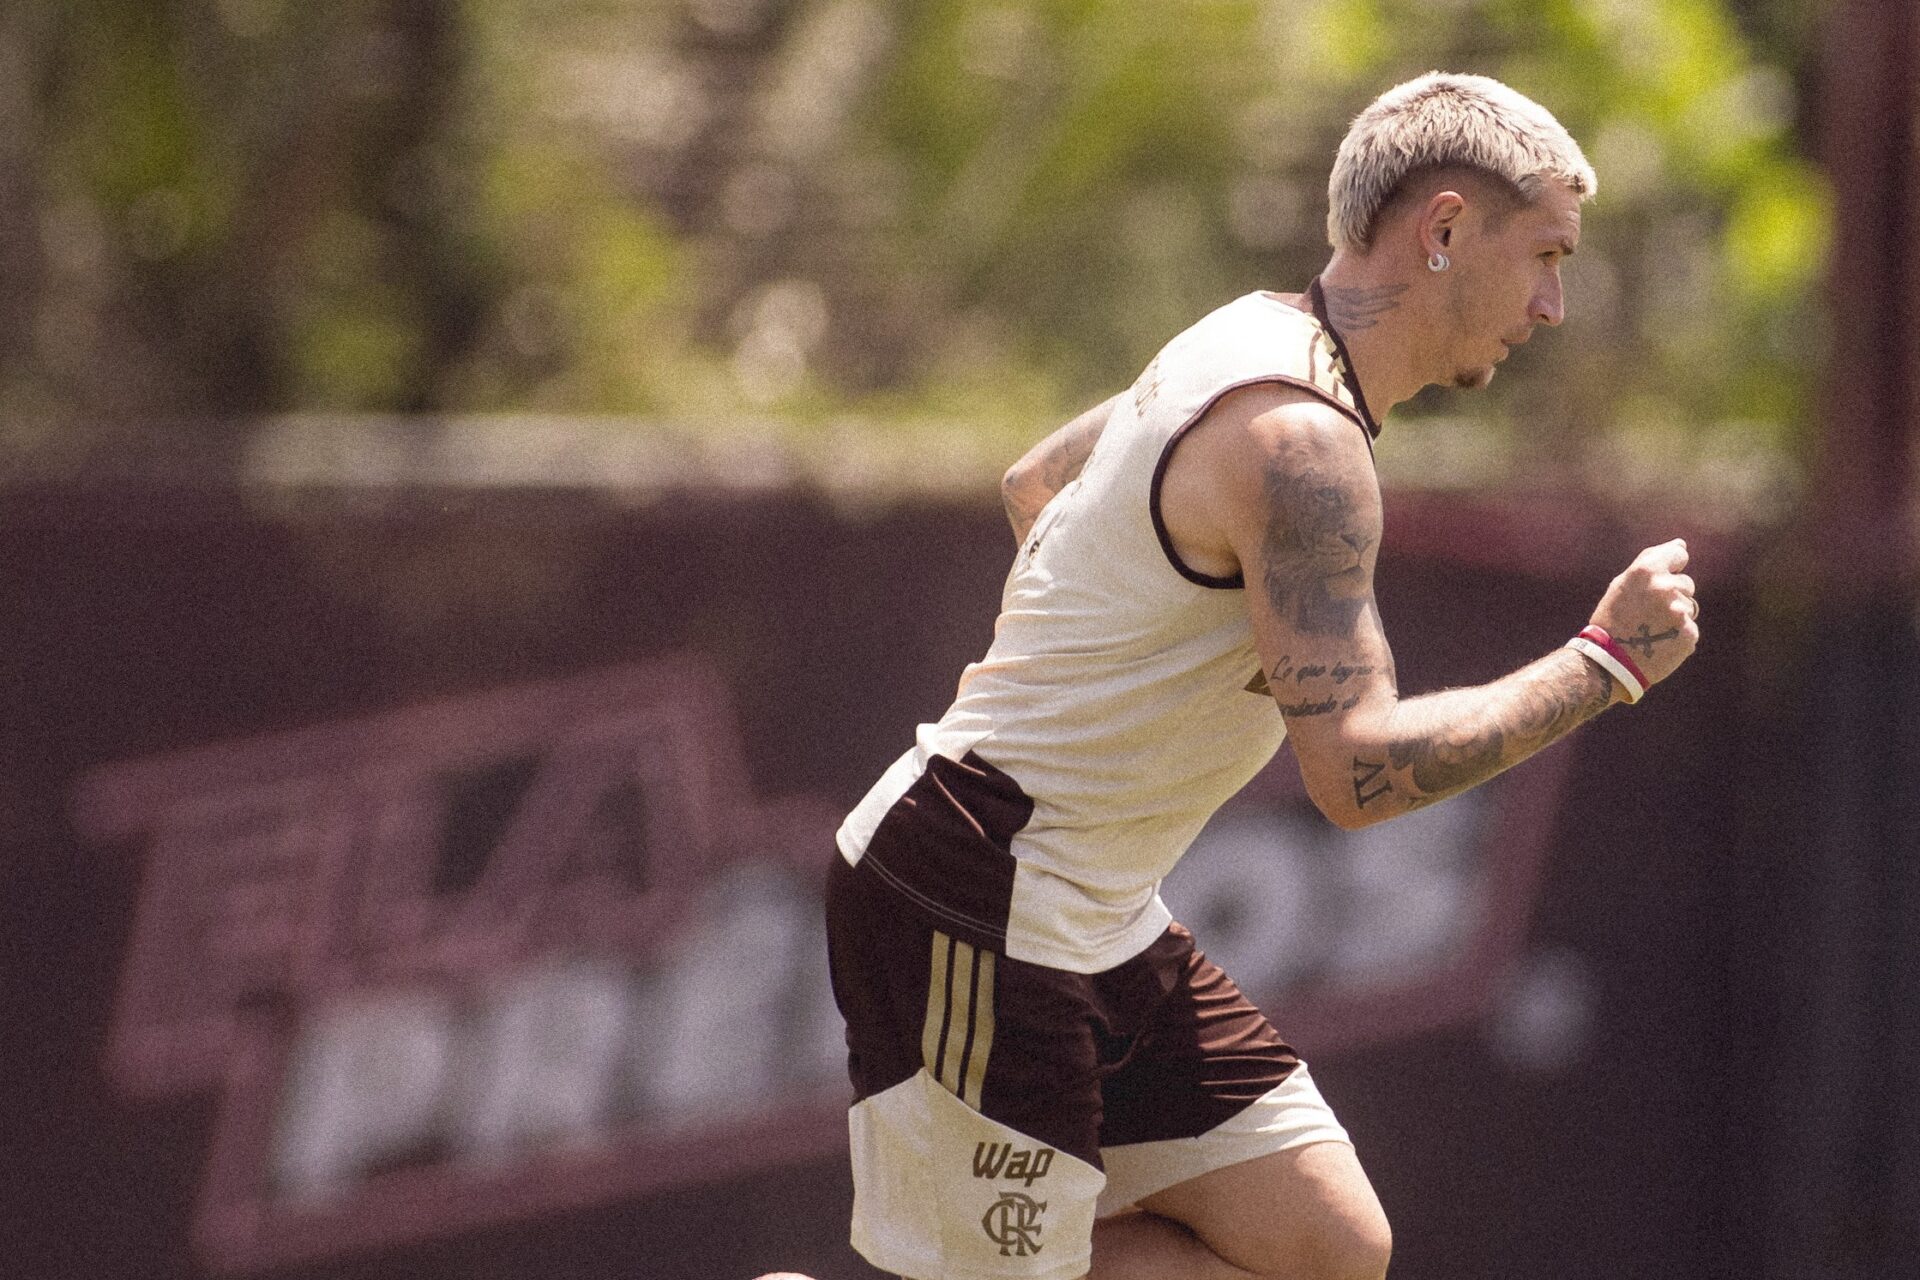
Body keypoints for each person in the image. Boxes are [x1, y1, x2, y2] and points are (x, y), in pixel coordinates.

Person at [824, 72, 1699, 1280]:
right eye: (1544, 254)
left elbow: (1037, 482)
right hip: (975, 896)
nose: (1554, 304)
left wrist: (1112, 667)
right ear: (1443, 231)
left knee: (1327, 1248)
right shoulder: (1301, 448)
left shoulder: (1245, 332)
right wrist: (1603, 664)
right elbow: (1356, 774)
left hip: (1088, 905)